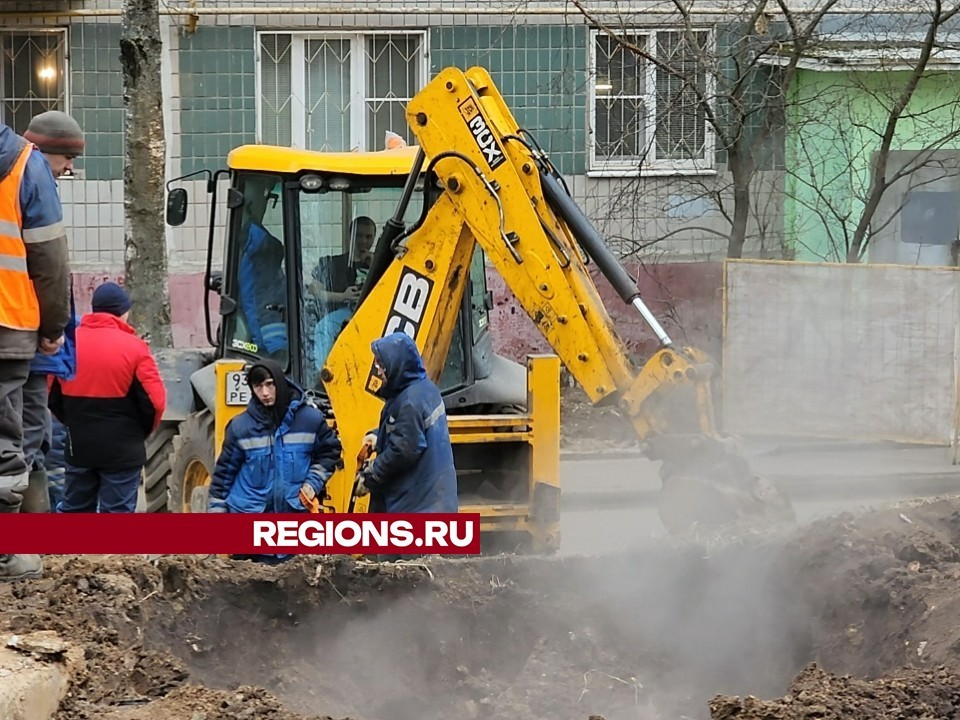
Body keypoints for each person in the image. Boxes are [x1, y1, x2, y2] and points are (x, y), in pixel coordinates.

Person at [0, 118, 71, 580]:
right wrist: (53, 325)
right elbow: (48, 257)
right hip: (7, 319)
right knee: (5, 437)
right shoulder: (25, 163)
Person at [207, 359, 342, 563]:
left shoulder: (310, 420)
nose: (265, 393)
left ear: (280, 382)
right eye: (258, 386)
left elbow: (330, 452)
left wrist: (313, 483)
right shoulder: (240, 427)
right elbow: (223, 477)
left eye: (270, 384)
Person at [49, 282, 166, 513]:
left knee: (75, 511)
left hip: (79, 447)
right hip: (123, 450)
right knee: (117, 518)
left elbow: (52, 397)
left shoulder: (68, 345)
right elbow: (155, 402)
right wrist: (137, 434)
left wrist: (74, 423)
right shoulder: (136, 348)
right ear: (123, 311)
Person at [19, 111, 85, 513]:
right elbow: (51, 263)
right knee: (28, 436)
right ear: (49, 152)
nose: (70, 168)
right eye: (68, 159)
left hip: (20, 326)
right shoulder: (35, 176)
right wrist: (53, 328)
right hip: (24, 328)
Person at [354, 332, 457, 515]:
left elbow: (403, 450)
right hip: (433, 496)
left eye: (381, 365)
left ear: (397, 365)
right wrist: (379, 436)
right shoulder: (424, 389)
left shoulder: (410, 402)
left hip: (417, 503)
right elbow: (409, 432)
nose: (378, 370)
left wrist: (370, 476)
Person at [237, 177, 288, 360]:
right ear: (251, 203)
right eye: (265, 196)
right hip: (267, 342)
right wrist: (276, 348)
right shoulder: (258, 246)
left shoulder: (248, 242)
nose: (266, 203)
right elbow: (262, 300)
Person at [309, 216, 376, 312]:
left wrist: (375, 266)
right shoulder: (334, 264)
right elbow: (313, 290)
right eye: (358, 236)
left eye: (368, 237)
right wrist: (343, 296)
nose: (363, 241)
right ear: (351, 236)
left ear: (374, 237)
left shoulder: (382, 265)